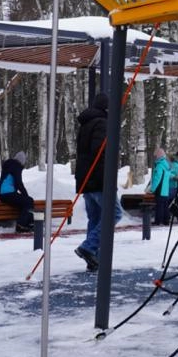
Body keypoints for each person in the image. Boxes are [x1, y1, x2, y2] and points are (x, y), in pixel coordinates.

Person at [74, 92, 122, 272]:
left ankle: (93, 258)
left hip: (86, 179)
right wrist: (108, 179)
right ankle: (88, 247)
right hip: (99, 179)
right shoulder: (102, 123)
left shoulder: (86, 124)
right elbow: (100, 152)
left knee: (95, 218)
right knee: (114, 214)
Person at [0, 150, 34, 232]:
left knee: (26, 202)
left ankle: (29, 223)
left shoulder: (10, 165)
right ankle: (21, 225)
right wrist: (25, 195)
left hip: (3, 194)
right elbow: (19, 183)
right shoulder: (16, 166)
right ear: (22, 161)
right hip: (8, 194)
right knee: (28, 201)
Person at [148, 147, 178, 226]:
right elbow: (168, 174)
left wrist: (152, 189)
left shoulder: (159, 165)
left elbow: (157, 178)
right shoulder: (166, 164)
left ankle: (158, 221)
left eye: (155, 156)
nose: (155, 157)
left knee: (159, 206)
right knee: (165, 205)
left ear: (158, 156)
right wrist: (174, 176)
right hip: (165, 189)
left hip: (160, 188)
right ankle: (166, 220)